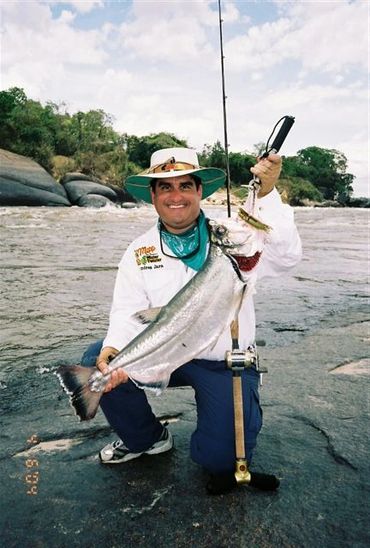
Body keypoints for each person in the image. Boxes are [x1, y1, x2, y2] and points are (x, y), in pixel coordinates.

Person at [81, 147, 302, 477]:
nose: (176, 196)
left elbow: (287, 257)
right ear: (153, 196)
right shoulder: (138, 251)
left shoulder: (234, 238)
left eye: (185, 186)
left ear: (200, 191)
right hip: (166, 353)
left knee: (221, 463)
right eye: (165, 187)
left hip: (222, 363)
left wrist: (267, 194)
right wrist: (113, 349)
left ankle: (224, 431)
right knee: (96, 356)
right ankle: (148, 439)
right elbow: (127, 311)